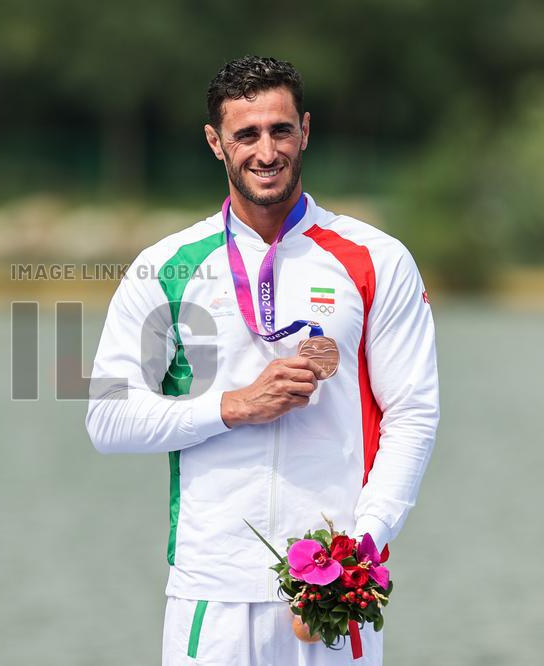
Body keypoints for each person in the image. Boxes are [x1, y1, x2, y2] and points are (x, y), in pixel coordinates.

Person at [86, 56, 438, 665]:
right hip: (211, 590)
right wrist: (234, 407)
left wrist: (361, 547)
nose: (266, 151)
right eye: (246, 135)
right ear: (215, 143)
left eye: (280, 130)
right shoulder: (167, 265)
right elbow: (107, 419)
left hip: (332, 588)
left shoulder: (376, 259)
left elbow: (413, 414)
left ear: (306, 130)